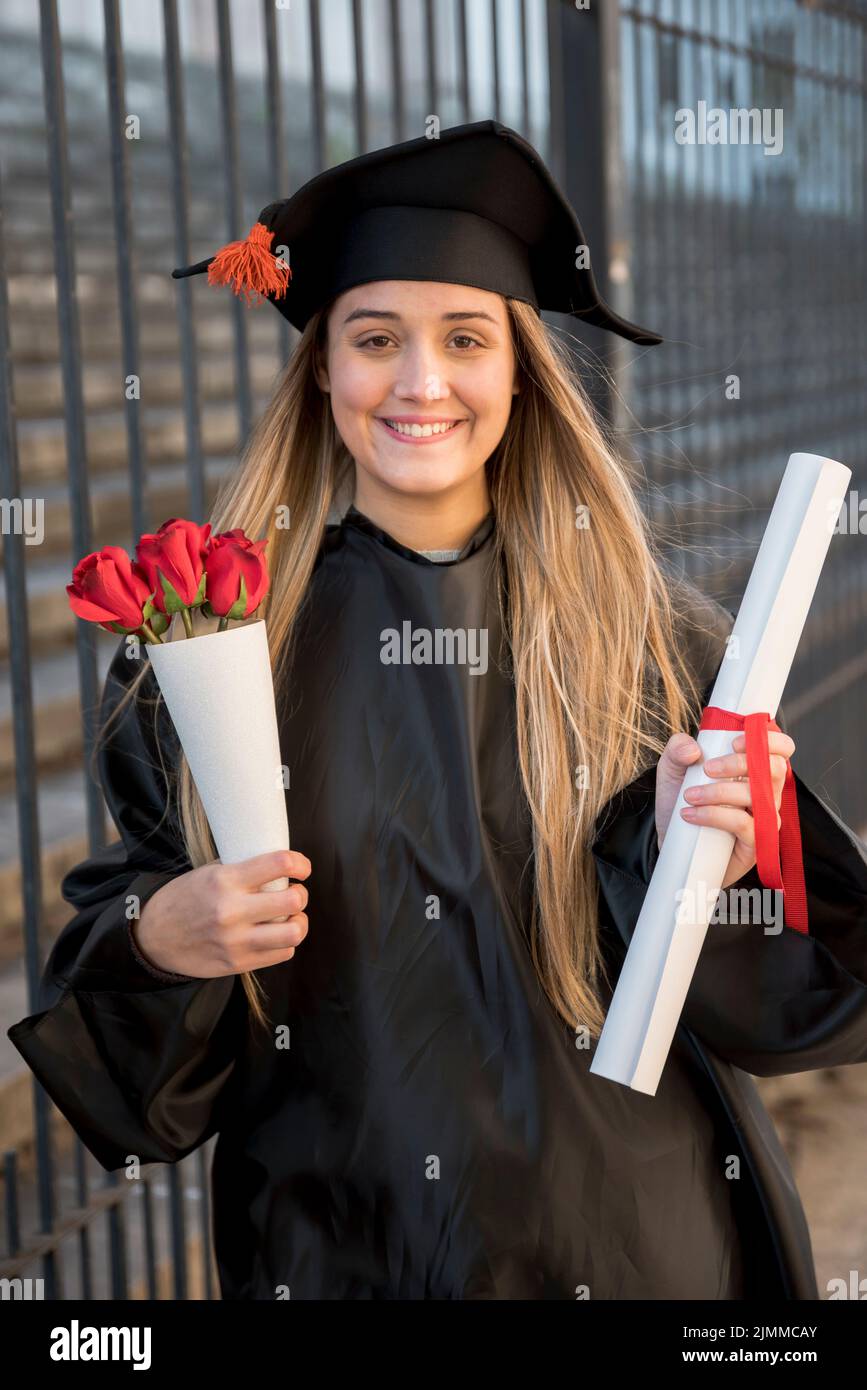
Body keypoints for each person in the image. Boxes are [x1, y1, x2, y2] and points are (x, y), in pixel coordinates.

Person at [9, 121, 867, 1301]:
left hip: (632, 1246)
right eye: (375, 339)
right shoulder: (208, 659)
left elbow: (799, 991)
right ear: (320, 365)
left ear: (518, 368)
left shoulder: (652, 645)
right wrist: (167, 937)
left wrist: (706, 866)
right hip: (343, 1249)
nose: (422, 383)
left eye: (466, 338)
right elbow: (144, 1066)